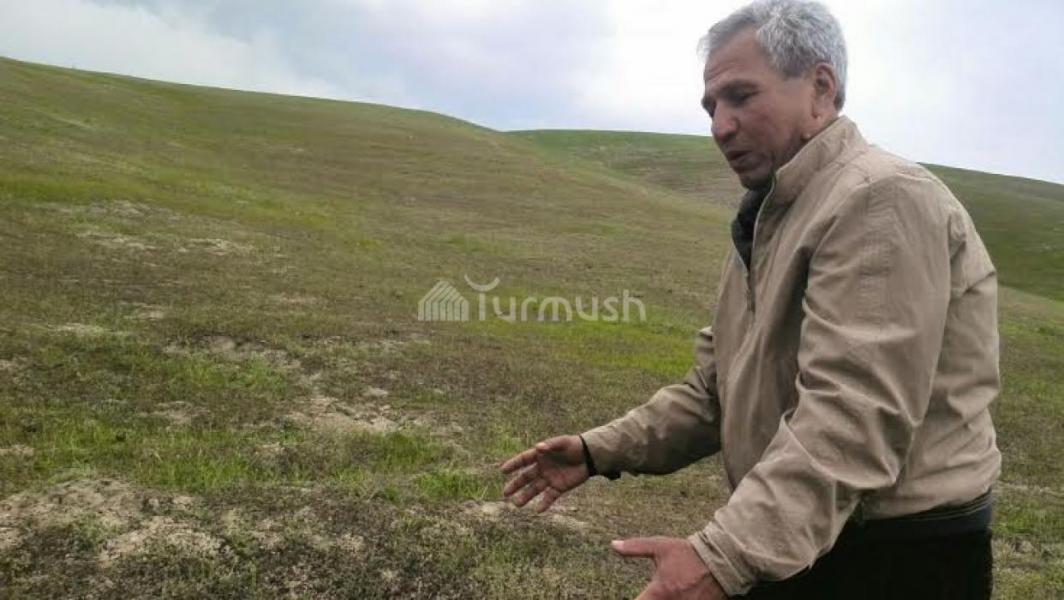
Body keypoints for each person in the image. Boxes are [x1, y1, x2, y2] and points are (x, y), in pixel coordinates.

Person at [500, 1, 1000, 598]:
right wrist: (595, 451)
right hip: (798, 535)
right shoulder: (769, 217)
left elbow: (853, 415)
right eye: (711, 107)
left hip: (896, 558)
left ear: (820, 89)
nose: (719, 126)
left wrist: (722, 558)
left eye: (740, 97)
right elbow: (714, 392)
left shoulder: (879, 200)